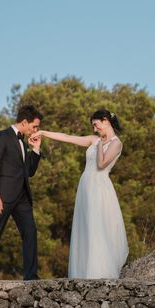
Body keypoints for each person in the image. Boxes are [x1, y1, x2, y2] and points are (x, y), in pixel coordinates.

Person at [34, 109, 129, 279]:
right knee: (85, 227)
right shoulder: (94, 140)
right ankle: (84, 272)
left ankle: (100, 273)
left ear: (105, 121)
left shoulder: (116, 143)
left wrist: (100, 145)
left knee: (97, 226)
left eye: (96, 124)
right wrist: (43, 133)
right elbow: (68, 137)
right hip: (86, 186)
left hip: (100, 187)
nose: (94, 129)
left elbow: (101, 164)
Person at [0, 105, 43, 281]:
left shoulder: (23, 143)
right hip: (4, 196)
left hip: (22, 198)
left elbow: (28, 171)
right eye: (34, 126)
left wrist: (36, 150)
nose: (36, 130)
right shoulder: (1, 136)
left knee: (30, 233)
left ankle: (31, 276)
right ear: (24, 122)